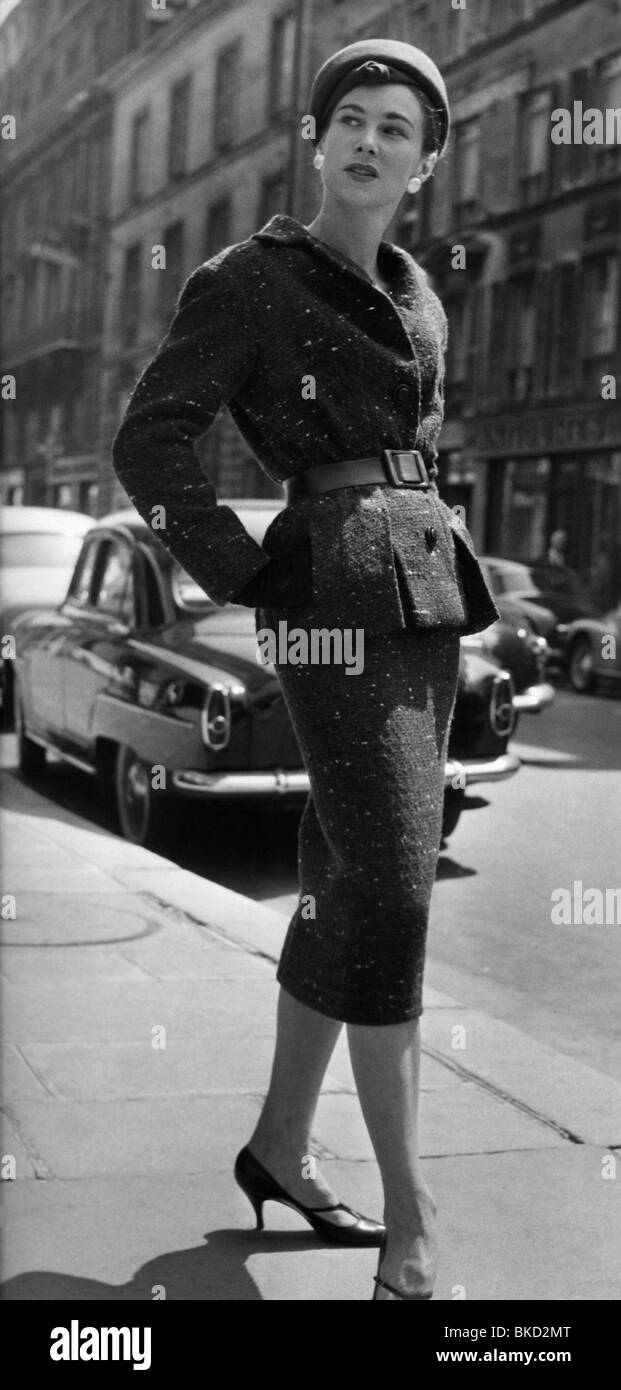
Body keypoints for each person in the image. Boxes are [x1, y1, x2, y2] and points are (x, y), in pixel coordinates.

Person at [112, 38, 499, 1300]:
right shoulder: (248, 279)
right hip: (328, 600)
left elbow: (415, 452)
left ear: (426, 164)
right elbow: (150, 440)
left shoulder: (421, 295)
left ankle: (280, 1145)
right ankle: (411, 1213)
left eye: (399, 128)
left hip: (425, 603)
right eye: (353, 120)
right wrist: (245, 571)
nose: (371, 141)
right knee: (392, 892)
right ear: (317, 139)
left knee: (344, 878)